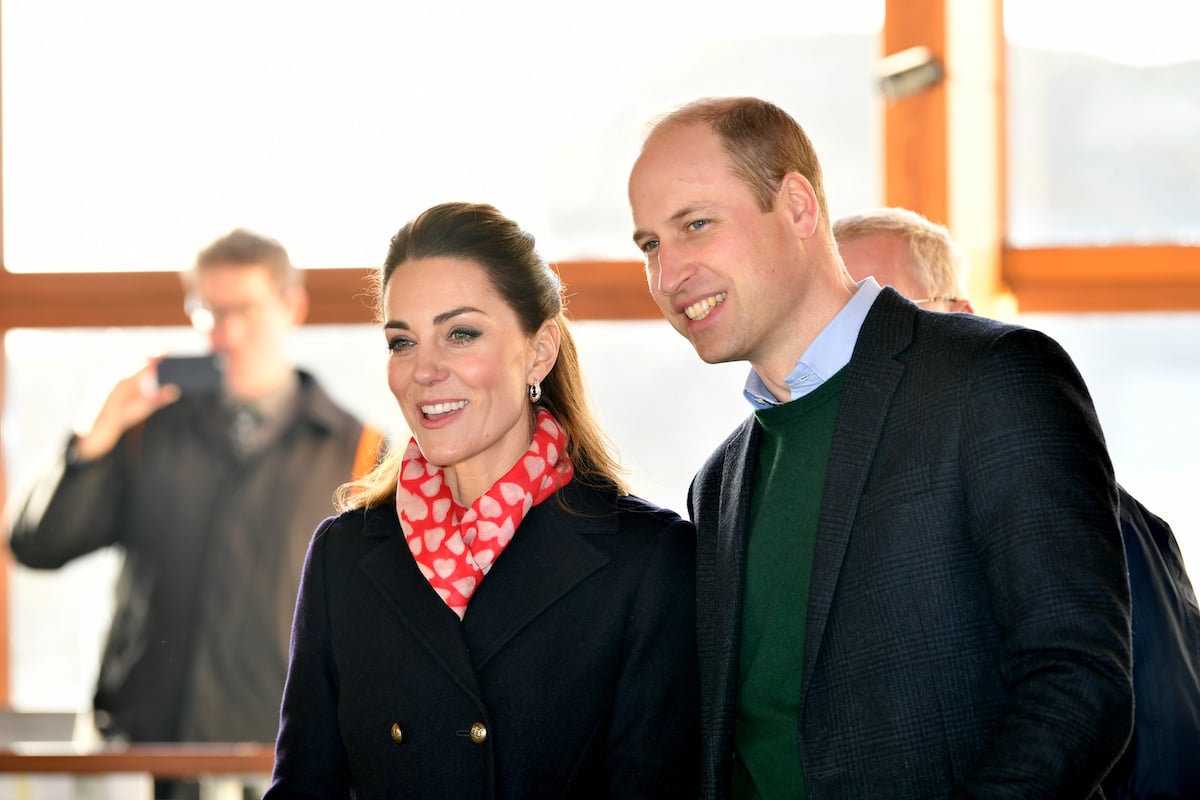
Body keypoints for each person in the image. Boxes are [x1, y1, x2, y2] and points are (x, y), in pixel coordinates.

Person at [627, 96, 1133, 799]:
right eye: (650, 244)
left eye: (696, 226)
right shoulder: (720, 482)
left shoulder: (991, 379)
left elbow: (1080, 685)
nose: (667, 275)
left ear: (800, 207)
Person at [264, 201, 700, 799]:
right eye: (402, 342)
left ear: (539, 352)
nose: (424, 371)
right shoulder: (343, 556)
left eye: (460, 333)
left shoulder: (650, 562)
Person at [835, 205, 1200, 800]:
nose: (860, 355)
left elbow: (1169, 742)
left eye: (883, 318)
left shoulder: (1099, 517)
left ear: (963, 319)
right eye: (836, 330)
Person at [7, 230, 382, 775]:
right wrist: (96, 431)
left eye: (244, 310)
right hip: (139, 755)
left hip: (277, 761)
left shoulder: (362, 454)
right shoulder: (145, 432)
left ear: (291, 307)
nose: (224, 333)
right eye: (208, 310)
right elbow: (37, 545)